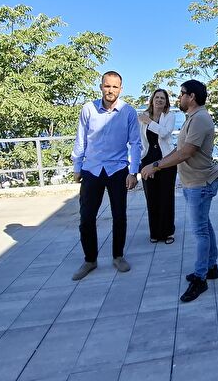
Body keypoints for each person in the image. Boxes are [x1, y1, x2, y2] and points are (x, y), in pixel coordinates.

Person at [141, 80, 218, 303]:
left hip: (200, 183)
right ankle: (211, 266)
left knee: (200, 231)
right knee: (205, 226)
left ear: (192, 96)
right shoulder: (192, 117)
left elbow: (186, 152)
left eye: (182, 93)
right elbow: (178, 149)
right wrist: (156, 162)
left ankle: (200, 277)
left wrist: (156, 166)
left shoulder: (200, 119)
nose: (179, 97)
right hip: (193, 182)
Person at [70, 71, 141, 281]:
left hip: (117, 170)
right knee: (86, 217)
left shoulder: (128, 112)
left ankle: (118, 256)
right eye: (107, 86)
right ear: (101, 86)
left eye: (115, 87)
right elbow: (81, 139)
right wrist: (77, 166)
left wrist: (133, 172)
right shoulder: (88, 109)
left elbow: (135, 143)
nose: (110, 90)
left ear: (121, 89)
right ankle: (90, 260)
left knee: (119, 216)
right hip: (92, 169)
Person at [139, 89, 177, 244]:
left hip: (166, 159)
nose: (159, 100)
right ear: (152, 99)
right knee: (152, 197)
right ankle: (154, 232)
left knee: (166, 196)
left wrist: (149, 122)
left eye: (162, 98)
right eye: (157, 97)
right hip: (147, 158)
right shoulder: (143, 116)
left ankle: (168, 232)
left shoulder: (169, 116)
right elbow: (138, 139)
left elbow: (165, 133)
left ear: (166, 101)